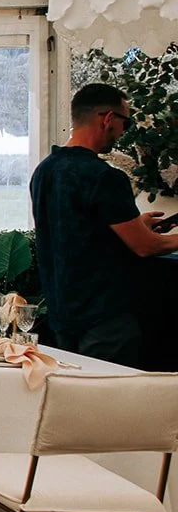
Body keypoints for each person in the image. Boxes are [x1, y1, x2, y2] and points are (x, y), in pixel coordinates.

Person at [29, 82, 178, 366]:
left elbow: (72, 229)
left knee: (73, 398)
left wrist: (135, 223)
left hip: (62, 316)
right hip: (105, 320)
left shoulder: (45, 170)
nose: (123, 132)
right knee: (109, 403)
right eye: (125, 122)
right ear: (108, 118)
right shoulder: (104, 177)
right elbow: (146, 247)